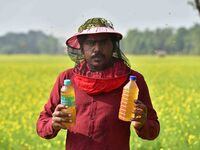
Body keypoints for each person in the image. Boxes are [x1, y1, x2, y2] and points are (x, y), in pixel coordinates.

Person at [36, 17, 160, 150]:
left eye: (103, 42)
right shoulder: (67, 79)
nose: (97, 49)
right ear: (82, 48)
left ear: (113, 46)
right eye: (90, 43)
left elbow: (153, 130)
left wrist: (142, 124)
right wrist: (53, 124)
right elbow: (42, 124)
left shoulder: (133, 80)